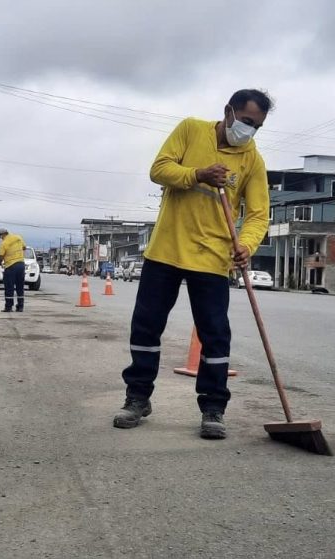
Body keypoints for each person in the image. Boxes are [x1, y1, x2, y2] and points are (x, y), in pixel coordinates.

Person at [113, 89, 273, 440]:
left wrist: (246, 245)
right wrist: (198, 174)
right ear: (229, 112)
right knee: (145, 328)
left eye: (257, 126)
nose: (250, 131)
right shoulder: (190, 129)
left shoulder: (252, 159)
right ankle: (137, 397)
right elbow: (159, 170)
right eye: (247, 121)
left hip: (213, 258)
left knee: (215, 335)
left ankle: (213, 408)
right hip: (166, 250)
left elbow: (259, 214)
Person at [0, 228, 26, 312]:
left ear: (2, 235)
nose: (0, 238)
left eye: (0, 237)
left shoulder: (4, 243)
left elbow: (0, 256)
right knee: (20, 287)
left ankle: (8, 307)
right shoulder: (18, 237)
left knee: (9, 287)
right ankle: (20, 306)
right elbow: (24, 247)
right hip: (21, 264)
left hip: (11, 266)